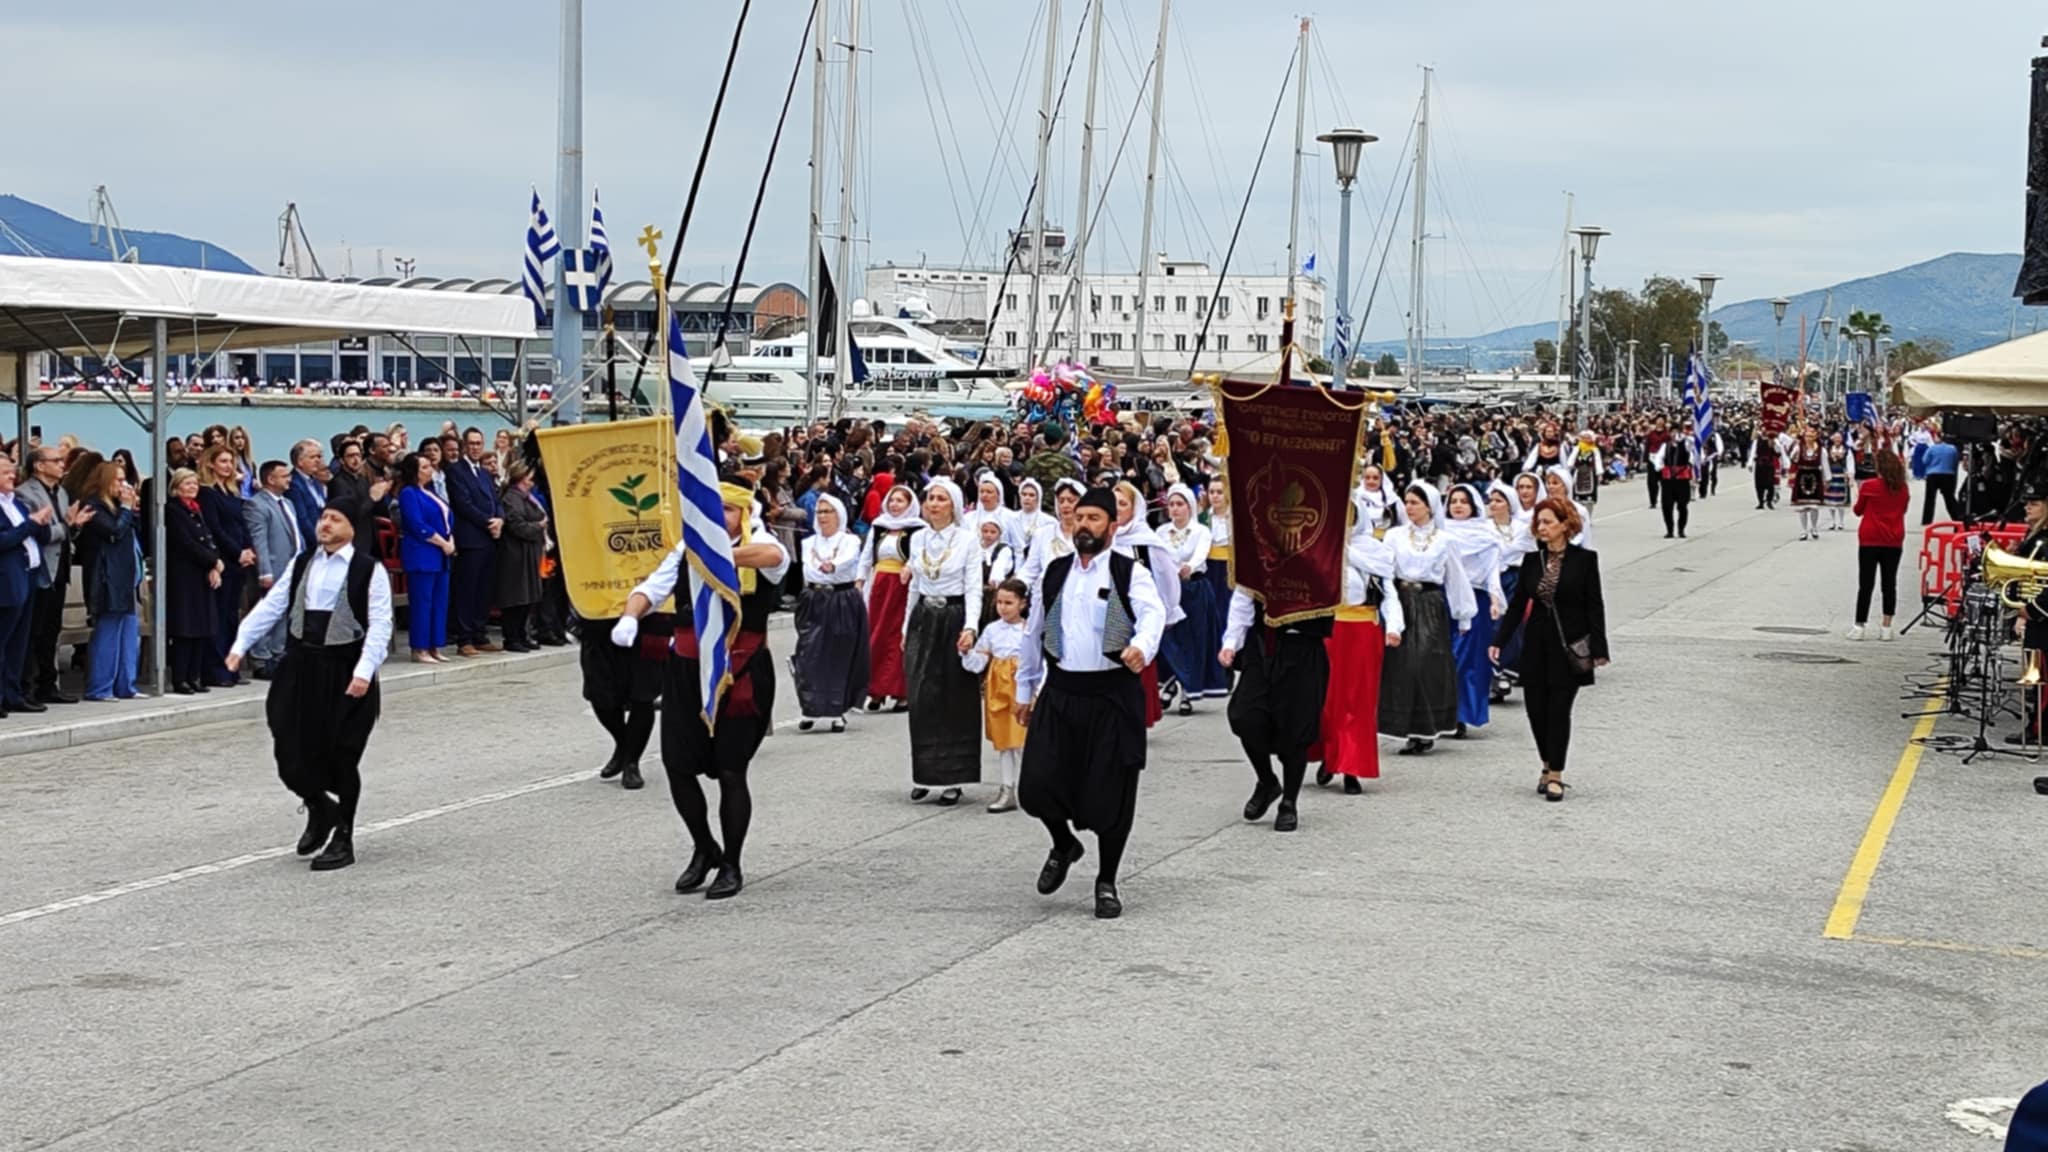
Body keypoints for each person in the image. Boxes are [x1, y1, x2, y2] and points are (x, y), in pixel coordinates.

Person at [610, 480, 790, 900]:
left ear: (743, 514)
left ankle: (732, 862)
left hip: (739, 670)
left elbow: (775, 556)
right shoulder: (685, 550)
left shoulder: (758, 542)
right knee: (677, 765)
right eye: (714, 508)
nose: (719, 516)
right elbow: (650, 589)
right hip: (686, 669)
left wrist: (716, 555)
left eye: (728, 509)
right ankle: (704, 847)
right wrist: (630, 617)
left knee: (730, 769)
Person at [1015, 486, 1165, 918]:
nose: (1083, 525)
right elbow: (1035, 631)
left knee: (1111, 794)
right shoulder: (1056, 571)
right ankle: (1064, 844)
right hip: (1061, 692)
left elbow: (1151, 612)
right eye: (1079, 518)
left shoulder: (1127, 572)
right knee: (1036, 787)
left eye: (1094, 519)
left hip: (1112, 694)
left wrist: (1142, 646)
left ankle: (1107, 881)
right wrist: (1027, 689)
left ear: (1112, 527)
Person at [228, 503, 395, 871]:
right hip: (302, 663)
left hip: (345, 668)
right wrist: (240, 646)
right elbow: (273, 606)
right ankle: (321, 806)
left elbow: (381, 624)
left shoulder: (369, 570)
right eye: (322, 517)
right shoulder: (304, 562)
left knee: (342, 753)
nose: (325, 524)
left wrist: (364, 671)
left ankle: (344, 837)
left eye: (335, 518)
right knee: (289, 750)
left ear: (352, 528)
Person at [1490, 497, 1610, 802]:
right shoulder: (1532, 562)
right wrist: (1499, 641)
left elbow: (1594, 606)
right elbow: (1517, 607)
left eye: (1548, 522)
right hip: (1535, 646)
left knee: (1559, 711)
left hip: (1568, 646)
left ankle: (1556, 772)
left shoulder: (1585, 561)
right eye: (1538, 522)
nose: (1541, 527)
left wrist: (1599, 648)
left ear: (1565, 525)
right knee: (1536, 712)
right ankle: (1545, 763)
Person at [1313, 492, 1405, 795]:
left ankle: (1352, 767)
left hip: (1363, 632)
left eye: (1350, 514)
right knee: (1328, 697)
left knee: (1358, 701)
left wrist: (1394, 626)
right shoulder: (1321, 548)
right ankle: (1330, 754)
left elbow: (1389, 591)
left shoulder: (1375, 552)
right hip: (1330, 630)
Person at [1379, 483, 1477, 755]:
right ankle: (1408, 728)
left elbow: (1456, 577)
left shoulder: (1445, 541)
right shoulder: (1394, 536)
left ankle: (1428, 727)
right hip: (1401, 602)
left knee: (1426, 664)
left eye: (1415, 503)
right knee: (1403, 666)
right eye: (1407, 502)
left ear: (1429, 506)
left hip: (1430, 603)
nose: (1409, 508)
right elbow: (1385, 570)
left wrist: (1463, 615)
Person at [902, 479, 983, 806]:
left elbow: (973, 587)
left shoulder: (967, 541)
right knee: (922, 696)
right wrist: (906, 627)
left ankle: (953, 776)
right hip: (924, 616)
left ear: (953, 506)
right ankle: (924, 773)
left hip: (953, 616)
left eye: (941, 499)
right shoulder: (917, 538)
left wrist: (971, 627)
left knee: (953, 697)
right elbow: (915, 587)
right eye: (929, 498)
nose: (933, 504)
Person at [17, 444, 90, 705]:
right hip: (40, 571)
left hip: (60, 568)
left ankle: (49, 686)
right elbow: (41, 533)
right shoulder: (26, 494)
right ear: (39, 465)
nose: (62, 464)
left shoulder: (61, 493)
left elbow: (64, 532)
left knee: (51, 631)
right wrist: (67, 526)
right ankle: (29, 687)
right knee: (34, 633)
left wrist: (75, 527)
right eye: (56, 460)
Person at [793, 494, 869, 733]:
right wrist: (822, 567)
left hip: (840, 599)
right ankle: (810, 708)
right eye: (820, 512)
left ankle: (837, 709)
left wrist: (833, 566)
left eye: (828, 512)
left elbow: (845, 562)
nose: (823, 517)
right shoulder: (808, 543)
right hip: (814, 599)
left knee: (839, 654)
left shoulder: (850, 541)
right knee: (808, 653)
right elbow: (811, 567)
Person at [1113, 480, 1181, 727]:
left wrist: (1166, 612)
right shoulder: (1101, 539)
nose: (1117, 508)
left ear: (1134, 509)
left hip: (1136, 619)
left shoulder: (1146, 543)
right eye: (1114, 503)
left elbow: (1167, 579)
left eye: (1123, 503)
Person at [1442, 483, 1507, 737]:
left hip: (1474, 599)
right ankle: (1441, 712)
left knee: (1467, 659)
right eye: (1453, 501)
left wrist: (1494, 599)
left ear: (1473, 506)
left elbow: (1492, 571)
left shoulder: (1486, 536)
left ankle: (1462, 714)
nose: (1457, 505)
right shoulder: (1440, 532)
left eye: (1463, 501)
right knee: (1444, 656)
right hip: (1445, 598)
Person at [963, 578, 1031, 813]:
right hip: (997, 689)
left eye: (1009, 603)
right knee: (1004, 743)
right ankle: (1007, 788)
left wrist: (1036, 689)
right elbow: (979, 661)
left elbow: (1038, 663)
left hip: (1020, 687)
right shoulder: (992, 630)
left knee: (1022, 741)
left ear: (1022, 604)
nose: (1003, 607)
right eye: (999, 602)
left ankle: (1032, 787)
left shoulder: (1029, 630)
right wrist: (966, 653)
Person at [77, 463, 142, 701]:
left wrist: (132, 510)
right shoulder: (94, 506)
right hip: (106, 579)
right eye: (118, 480)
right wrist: (126, 509)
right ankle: (100, 687)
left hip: (126, 578)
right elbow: (113, 532)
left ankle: (127, 684)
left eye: (124, 480)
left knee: (129, 634)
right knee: (109, 633)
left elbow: (136, 532)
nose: (123, 486)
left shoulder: (118, 507)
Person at [1158, 485, 1225, 714]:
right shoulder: (1161, 531)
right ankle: (1170, 682)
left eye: (1180, 504)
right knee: (1168, 640)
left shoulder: (1200, 531)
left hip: (1193, 590)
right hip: (1168, 591)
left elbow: (1201, 553)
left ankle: (1187, 690)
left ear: (1190, 507)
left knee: (1191, 640)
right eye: (1172, 504)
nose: (1175, 509)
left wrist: (1190, 566)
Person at [0, 455, 54, 716]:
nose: (12, 477)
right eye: (5, 473)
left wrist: (42, 522)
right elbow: (5, 539)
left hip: (28, 577)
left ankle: (13, 694)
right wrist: (32, 523)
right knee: (3, 640)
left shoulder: (17, 504)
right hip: (6, 581)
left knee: (18, 643)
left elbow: (36, 534)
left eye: (12, 472)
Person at [198, 446, 256, 688]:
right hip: (224, 558)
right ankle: (216, 669)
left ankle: (231, 667)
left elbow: (241, 523)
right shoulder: (208, 493)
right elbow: (215, 528)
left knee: (232, 616)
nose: (228, 466)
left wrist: (249, 548)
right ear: (211, 464)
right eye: (222, 461)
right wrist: (236, 551)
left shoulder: (232, 493)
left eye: (230, 462)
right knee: (219, 617)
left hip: (239, 561)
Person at [163, 468, 224, 696]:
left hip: (201, 574)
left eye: (195, 484)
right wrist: (213, 561)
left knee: (202, 627)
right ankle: (180, 678)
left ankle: (194, 676)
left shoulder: (196, 510)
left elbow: (208, 539)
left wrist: (213, 564)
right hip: (184, 576)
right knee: (185, 629)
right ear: (177, 487)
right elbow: (186, 543)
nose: (193, 487)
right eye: (188, 484)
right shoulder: (174, 510)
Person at [241, 460, 304, 680]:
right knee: (267, 613)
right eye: (284, 475)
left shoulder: (288, 503)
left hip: (292, 565)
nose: (289, 479)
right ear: (270, 479)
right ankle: (261, 658)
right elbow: (260, 541)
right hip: (274, 566)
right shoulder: (257, 504)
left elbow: (295, 533)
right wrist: (264, 571)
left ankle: (278, 654)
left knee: (284, 612)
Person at [447, 426, 505, 656]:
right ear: (464, 445)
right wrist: (488, 521)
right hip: (471, 537)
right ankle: (465, 638)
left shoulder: (483, 473)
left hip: (489, 538)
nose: (475, 448)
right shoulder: (456, 471)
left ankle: (480, 633)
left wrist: (500, 519)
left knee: (484, 589)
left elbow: (496, 499)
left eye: (479, 444)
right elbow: (463, 503)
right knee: (467, 589)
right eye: (471, 444)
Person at [396, 452, 455, 663]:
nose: (429, 470)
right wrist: (441, 541)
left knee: (439, 601)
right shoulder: (409, 493)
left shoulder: (431, 492)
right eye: (424, 467)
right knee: (423, 602)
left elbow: (447, 519)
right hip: (423, 553)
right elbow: (416, 524)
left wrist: (451, 540)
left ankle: (434, 645)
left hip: (441, 554)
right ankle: (419, 647)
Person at [1849, 448, 1910, 642]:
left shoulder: (1869, 485)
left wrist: (1855, 492)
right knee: (1889, 583)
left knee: (1865, 584)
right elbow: (1904, 509)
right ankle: (1886, 626)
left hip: (1870, 538)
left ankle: (1859, 626)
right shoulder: (1903, 488)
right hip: (1894, 539)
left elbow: (1858, 511)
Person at [496, 460, 549, 653]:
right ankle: (512, 637)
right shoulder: (511, 498)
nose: (532, 482)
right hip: (515, 554)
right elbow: (516, 524)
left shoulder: (527, 497)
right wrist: (538, 527)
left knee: (528, 597)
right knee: (515, 597)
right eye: (529, 478)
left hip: (530, 552)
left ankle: (522, 634)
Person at [972, 518, 1016, 632]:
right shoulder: (975, 548)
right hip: (975, 590)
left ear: (999, 534)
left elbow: (999, 568)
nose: (988, 535)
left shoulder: (1003, 550)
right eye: (985, 531)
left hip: (993, 594)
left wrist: (995, 580)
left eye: (992, 532)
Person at [1651, 431, 1695, 539]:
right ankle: (1669, 530)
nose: (1675, 435)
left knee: (1682, 505)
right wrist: (1659, 467)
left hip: (1682, 478)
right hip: (1668, 479)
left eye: (1678, 433)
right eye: (1673, 432)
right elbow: (1658, 458)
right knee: (1667, 506)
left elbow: (1693, 454)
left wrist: (1687, 438)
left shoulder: (1686, 444)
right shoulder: (1665, 446)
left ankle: (1681, 529)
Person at [286, 439, 329, 547]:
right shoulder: (293, 484)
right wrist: (319, 543)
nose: (318, 461)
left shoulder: (315, 481)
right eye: (313, 457)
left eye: (319, 457)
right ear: (300, 461)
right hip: (311, 544)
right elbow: (302, 519)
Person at [1788, 427, 1828, 541]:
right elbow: (1793, 459)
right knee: (1802, 506)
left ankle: (1814, 528)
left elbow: (1825, 464)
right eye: (1807, 436)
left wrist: (1827, 479)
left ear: (1815, 437)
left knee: (1814, 506)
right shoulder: (1799, 447)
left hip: (1815, 475)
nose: (1808, 439)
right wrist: (1795, 451)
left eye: (1811, 436)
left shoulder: (1821, 449)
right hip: (1802, 476)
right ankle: (1804, 530)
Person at [1918, 424, 1961, 525]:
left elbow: (1925, 461)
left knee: (1930, 498)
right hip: (1948, 475)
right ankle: (1957, 516)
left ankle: (1927, 520)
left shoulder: (1932, 449)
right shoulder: (1952, 449)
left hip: (1933, 475)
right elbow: (1955, 462)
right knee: (1949, 498)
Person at [1824, 435, 1854, 533]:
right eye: (1835, 438)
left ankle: (1841, 522)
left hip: (1842, 476)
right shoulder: (1828, 449)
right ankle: (1833, 522)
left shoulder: (1846, 450)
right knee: (1831, 500)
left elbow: (1850, 463)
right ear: (1832, 439)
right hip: (1831, 475)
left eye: (1839, 438)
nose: (1837, 440)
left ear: (1842, 439)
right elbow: (1825, 463)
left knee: (1841, 500)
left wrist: (1850, 476)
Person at [1752, 430, 1780, 510]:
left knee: (1770, 484)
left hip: (1769, 465)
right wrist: (1750, 463)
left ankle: (1769, 501)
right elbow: (1753, 452)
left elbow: (1778, 451)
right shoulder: (1758, 440)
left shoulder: (1773, 440)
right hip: (1759, 464)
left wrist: (1774, 443)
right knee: (1758, 484)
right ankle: (1760, 502)